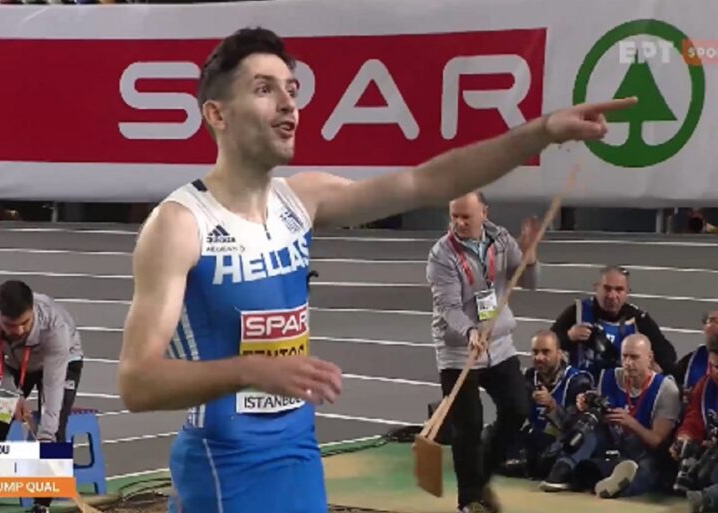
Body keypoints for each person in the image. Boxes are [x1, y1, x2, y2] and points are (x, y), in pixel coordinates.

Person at [115, 26, 637, 513]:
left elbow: (428, 181)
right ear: (217, 114)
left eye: (291, 89)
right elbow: (137, 382)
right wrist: (251, 370)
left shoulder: (303, 199)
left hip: (298, 451)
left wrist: (541, 132)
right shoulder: (180, 224)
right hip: (223, 467)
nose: (289, 103)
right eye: (264, 89)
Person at [426, 190, 539, 511]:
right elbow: (448, 307)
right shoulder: (441, 255)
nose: (459, 223)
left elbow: (529, 281)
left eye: (466, 216)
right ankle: (469, 501)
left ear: (484, 213)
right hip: (459, 350)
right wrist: (470, 331)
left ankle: (482, 475)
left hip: (499, 344)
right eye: (455, 216)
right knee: (468, 426)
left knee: (518, 409)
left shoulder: (501, 240)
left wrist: (530, 256)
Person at [0, 280, 84, 513]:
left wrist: (46, 435)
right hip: (9, 366)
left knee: (53, 433)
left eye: (25, 323)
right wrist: (13, 394)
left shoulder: (54, 326)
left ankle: (41, 506)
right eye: (11, 325)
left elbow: (53, 385)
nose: (19, 331)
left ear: (32, 311)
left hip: (61, 364)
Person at [539, 334, 679, 499]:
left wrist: (631, 424)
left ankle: (598, 477)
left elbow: (657, 442)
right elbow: (596, 411)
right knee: (587, 427)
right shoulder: (608, 377)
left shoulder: (666, 389)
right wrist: (585, 403)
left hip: (643, 450)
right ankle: (564, 467)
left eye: (634, 357)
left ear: (649, 358)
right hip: (611, 442)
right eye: (624, 356)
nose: (628, 363)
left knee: (648, 469)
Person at [550, 265, 676, 379]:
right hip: (582, 385)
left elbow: (668, 354)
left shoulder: (637, 319)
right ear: (596, 288)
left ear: (627, 293)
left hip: (620, 389)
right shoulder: (578, 312)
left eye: (619, 289)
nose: (612, 295)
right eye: (607, 288)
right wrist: (569, 337)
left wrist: (650, 365)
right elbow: (547, 345)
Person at [514, 330, 593, 480]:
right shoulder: (529, 377)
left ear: (559, 354)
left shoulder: (578, 381)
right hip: (536, 439)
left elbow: (577, 428)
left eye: (546, 352)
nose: (539, 357)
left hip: (562, 443)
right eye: (535, 352)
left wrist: (552, 405)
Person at [671, 334, 718, 512]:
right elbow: (693, 419)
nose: (714, 372)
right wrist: (684, 439)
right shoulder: (705, 385)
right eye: (712, 366)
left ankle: (706, 499)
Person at [673, 310, 718, 416]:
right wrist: (682, 391)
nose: (711, 325)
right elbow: (672, 379)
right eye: (709, 321)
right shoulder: (694, 359)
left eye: (715, 321)